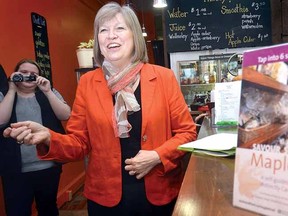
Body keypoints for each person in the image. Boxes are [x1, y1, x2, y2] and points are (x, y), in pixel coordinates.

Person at [3, 3, 197, 216]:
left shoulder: (163, 77)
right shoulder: (88, 82)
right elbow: (79, 143)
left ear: (135, 36)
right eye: (103, 30)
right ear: (98, 41)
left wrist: (158, 155)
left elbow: (187, 133)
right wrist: (48, 137)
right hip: (105, 199)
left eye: (120, 29)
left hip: (158, 194)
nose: (110, 36)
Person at [0, 59, 71, 216]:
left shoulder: (48, 91)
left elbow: (66, 114)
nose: (28, 76)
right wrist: (11, 89)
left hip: (48, 166)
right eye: (23, 73)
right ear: (15, 74)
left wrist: (47, 91)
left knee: (48, 208)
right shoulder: (5, 94)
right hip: (14, 169)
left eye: (33, 74)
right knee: (17, 210)